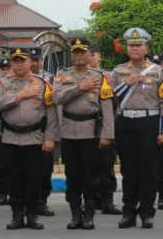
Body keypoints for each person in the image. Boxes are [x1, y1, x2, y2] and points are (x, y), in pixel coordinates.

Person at [52, 38, 114, 230]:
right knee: (73, 175)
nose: (79, 55)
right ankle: (75, 214)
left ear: (89, 54)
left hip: (91, 131)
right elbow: (57, 98)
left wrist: (107, 134)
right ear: (71, 54)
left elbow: (107, 107)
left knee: (91, 176)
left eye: (82, 51)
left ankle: (89, 214)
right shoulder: (62, 76)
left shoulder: (99, 76)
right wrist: (79, 88)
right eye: (75, 51)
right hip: (69, 131)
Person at [0, 48, 58, 230]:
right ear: (11, 63)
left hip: (34, 138)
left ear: (30, 62)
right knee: (13, 179)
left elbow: (51, 113)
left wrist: (50, 137)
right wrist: (20, 96)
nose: (19, 64)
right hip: (11, 138)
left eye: (22, 60)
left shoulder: (42, 83)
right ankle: (17, 215)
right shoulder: (4, 83)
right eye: (15, 61)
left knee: (33, 179)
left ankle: (32, 215)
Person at [110, 27, 163, 229]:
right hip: (125, 123)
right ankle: (128, 213)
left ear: (146, 47)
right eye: (131, 45)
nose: (134, 48)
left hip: (148, 123)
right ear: (126, 48)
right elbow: (109, 97)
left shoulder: (157, 72)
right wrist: (128, 82)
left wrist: (161, 130)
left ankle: (147, 213)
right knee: (128, 169)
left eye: (138, 45)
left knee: (148, 170)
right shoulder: (118, 71)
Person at [87, 47, 122, 215]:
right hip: (85, 127)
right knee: (89, 165)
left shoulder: (108, 77)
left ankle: (107, 200)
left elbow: (116, 98)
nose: (89, 58)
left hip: (106, 125)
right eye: (86, 54)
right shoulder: (75, 77)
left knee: (107, 164)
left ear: (99, 57)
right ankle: (91, 201)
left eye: (93, 54)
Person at [29, 47, 56, 217]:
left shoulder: (50, 79)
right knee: (28, 168)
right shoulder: (21, 79)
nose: (34, 63)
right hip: (27, 128)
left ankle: (42, 201)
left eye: (37, 60)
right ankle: (27, 201)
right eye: (31, 60)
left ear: (41, 61)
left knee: (46, 168)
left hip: (45, 127)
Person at [0, 58, 12, 207]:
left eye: (8, 68)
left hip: (13, 131)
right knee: (0, 164)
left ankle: (14, 193)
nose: (6, 72)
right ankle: (3, 193)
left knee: (14, 164)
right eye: (3, 69)